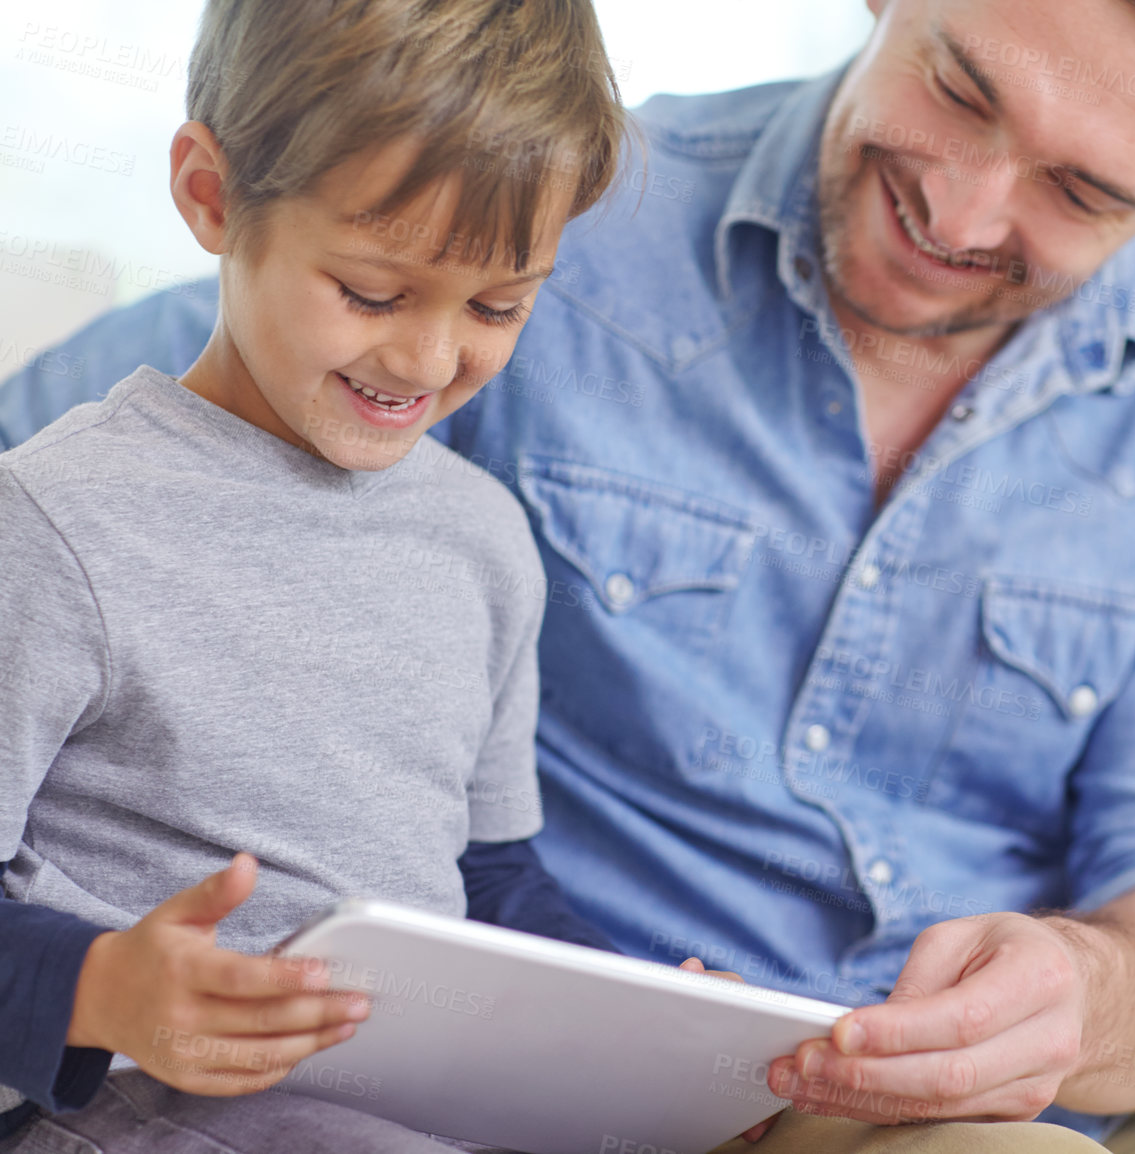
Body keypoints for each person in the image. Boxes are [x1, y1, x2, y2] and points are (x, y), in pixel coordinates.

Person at [5, 1, 1135, 1150]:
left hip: (925, 1104)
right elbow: (172, 422)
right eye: (962, 87)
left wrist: (1096, 989)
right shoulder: (535, 225)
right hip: (510, 1081)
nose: (963, 210)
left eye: (1078, 189)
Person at [0, 0, 664, 1148]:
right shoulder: (53, 526)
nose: (428, 357)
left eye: (499, 306)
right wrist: (100, 988)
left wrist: (639, 1020)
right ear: (212, 196)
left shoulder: (485, 540)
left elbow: (488, 874)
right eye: (371, 292)